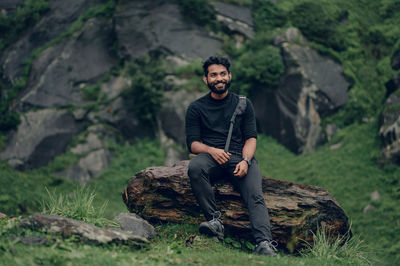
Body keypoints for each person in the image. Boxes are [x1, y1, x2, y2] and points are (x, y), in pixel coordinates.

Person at [185, 55, 277, 256]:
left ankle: (264, 244)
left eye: (222, 74)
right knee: (195, 167)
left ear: (229, 76)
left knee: (255, 194)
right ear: (206, 79)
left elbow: (251, 138)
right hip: (212, 159)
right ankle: (214, 221)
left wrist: (246, 160)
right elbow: (192, 144)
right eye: (214, 75)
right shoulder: (196, 108)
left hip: (239, 158)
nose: (219, 78)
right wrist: (211, 150)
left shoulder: (243, 104)